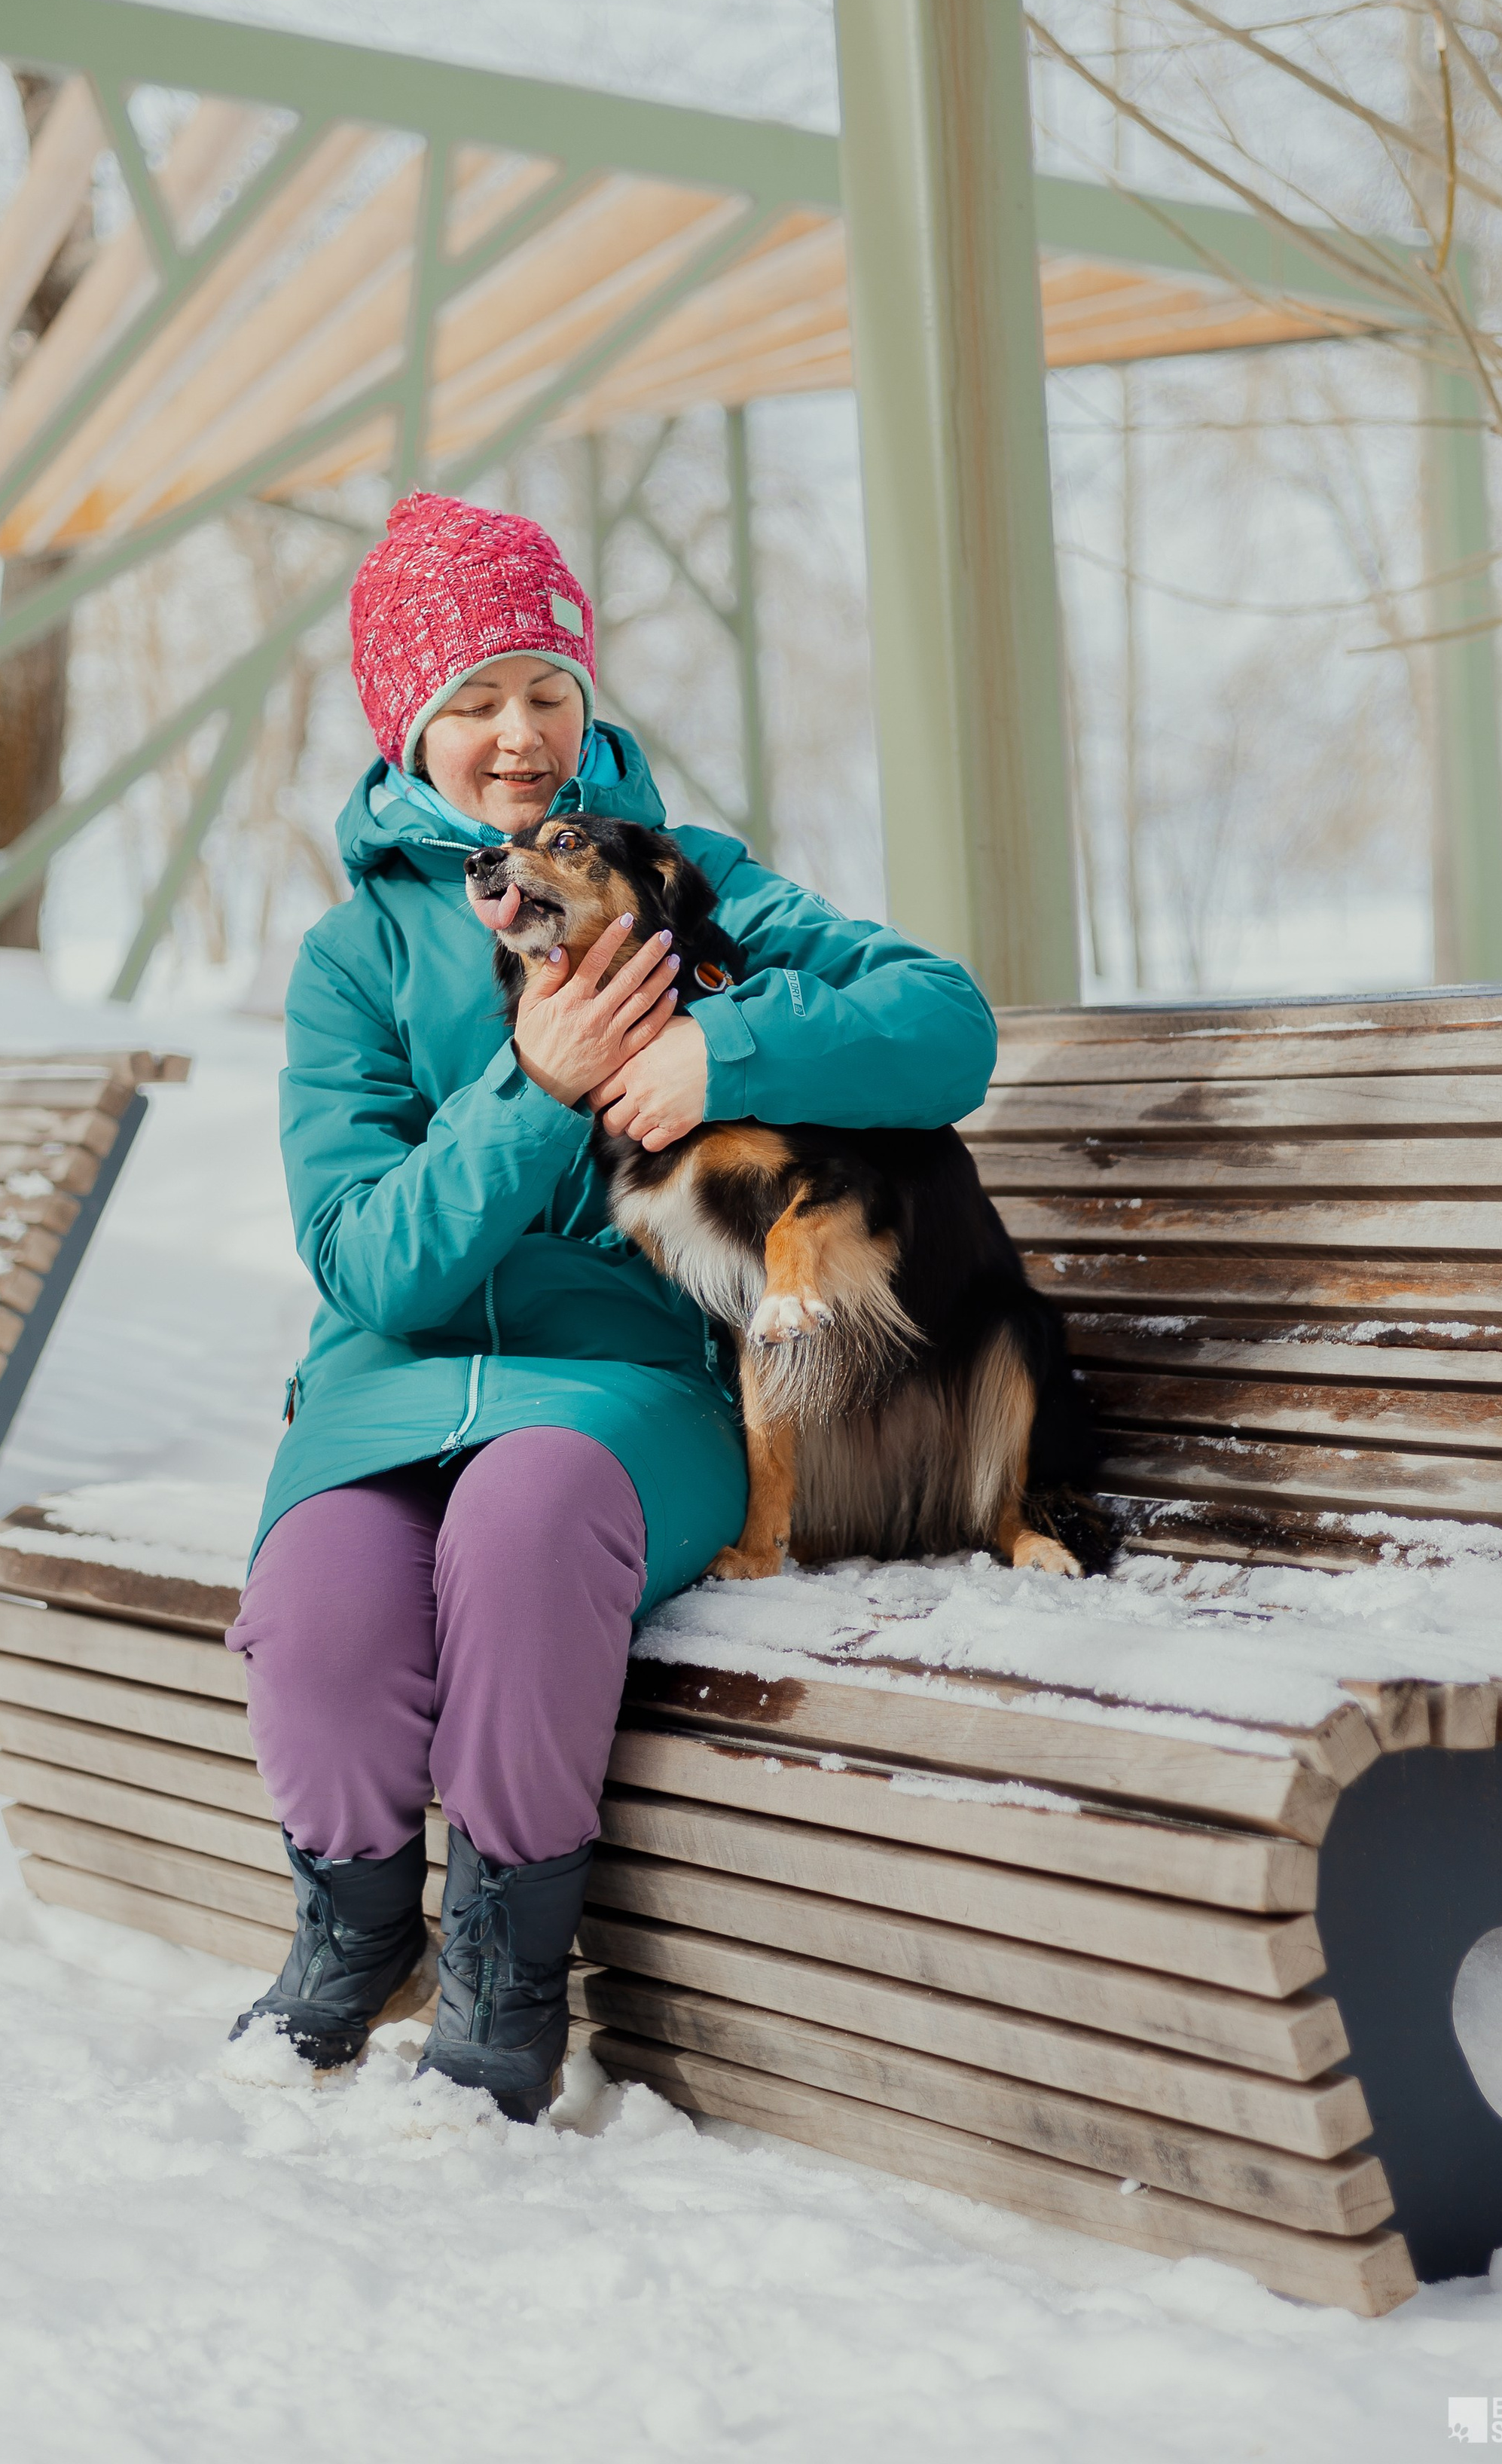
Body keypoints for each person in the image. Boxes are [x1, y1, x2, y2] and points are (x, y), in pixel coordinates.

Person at [227, 489, 997, 2116]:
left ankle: (509, 1970)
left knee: (522, 1527)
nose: (517, 734)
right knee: (322, 1613)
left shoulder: (686, 883)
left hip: (627, 1396)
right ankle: (353, 1937)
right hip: (381, 1387)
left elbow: (944, 1029)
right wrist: (535, 1084)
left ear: (585, 699)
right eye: (471, 702)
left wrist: (727, 1048)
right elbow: (370, 1258)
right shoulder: (353, 959)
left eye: (544, 690)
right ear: (407, 728)